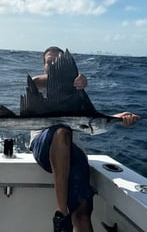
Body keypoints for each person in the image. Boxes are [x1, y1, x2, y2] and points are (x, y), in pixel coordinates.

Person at [30, 46, 140, 232]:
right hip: (43, 145)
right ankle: (61, 214)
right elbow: (34, 82)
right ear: (44, 66)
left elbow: (90, 123)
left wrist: (119, 118)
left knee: (82, 213)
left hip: (73, 152)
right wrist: (66, 79)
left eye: (58, 62)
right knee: (61, 132)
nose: (53, 65)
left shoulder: (77, 94)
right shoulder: (38, 87)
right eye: (50, 62)